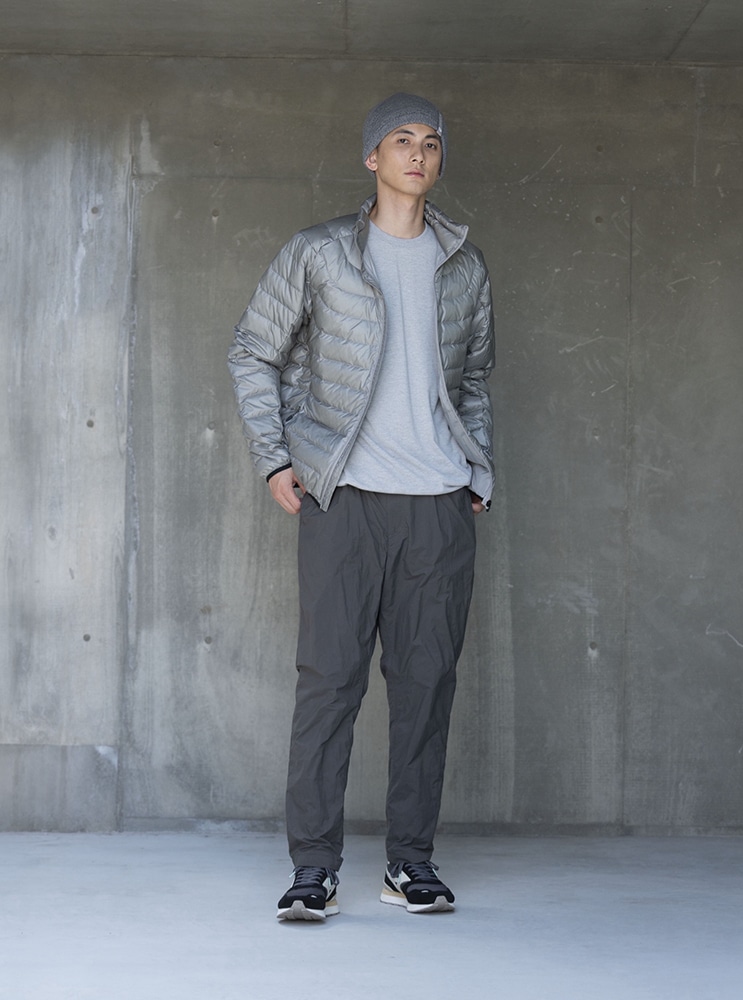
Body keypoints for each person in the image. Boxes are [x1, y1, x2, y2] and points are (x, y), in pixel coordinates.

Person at [228, 92, 495, 921]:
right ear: (372, 158)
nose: (418, 154)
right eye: (401, 140)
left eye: (431, 142)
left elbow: (475, 379)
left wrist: (477, 470)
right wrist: (276, 458)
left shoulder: (463, 266)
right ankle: (313, 867)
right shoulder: (319, 254)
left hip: (438, 506)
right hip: (343, 501)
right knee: (329, 684)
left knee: (426, 689)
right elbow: (253, 350)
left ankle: (410, 863)